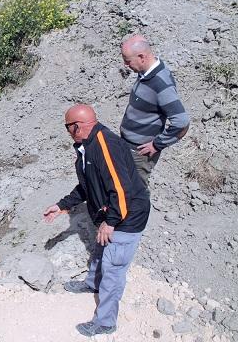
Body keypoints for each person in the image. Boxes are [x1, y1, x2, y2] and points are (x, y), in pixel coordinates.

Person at [43, 104, 150, 337]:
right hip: (114, 211)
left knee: (113, 268)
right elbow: (87, 186)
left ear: (76, 127)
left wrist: (110, 222)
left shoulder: (104, 145)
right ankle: (92, 283)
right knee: (100, 249)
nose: (67, 131)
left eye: (67, 127)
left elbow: (121, 191)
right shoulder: (87, 146)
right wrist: (62, 206)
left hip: (128, 216)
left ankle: (105, 322)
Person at [120, 35, 190, 187]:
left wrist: (157, 145)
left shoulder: (161, 84)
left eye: (127, 60)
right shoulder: (145, 73)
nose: (125, 65)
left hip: (140, 152)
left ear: (141, 57)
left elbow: (182, 121)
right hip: (127, 144)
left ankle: (138, 212)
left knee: (136, 190)